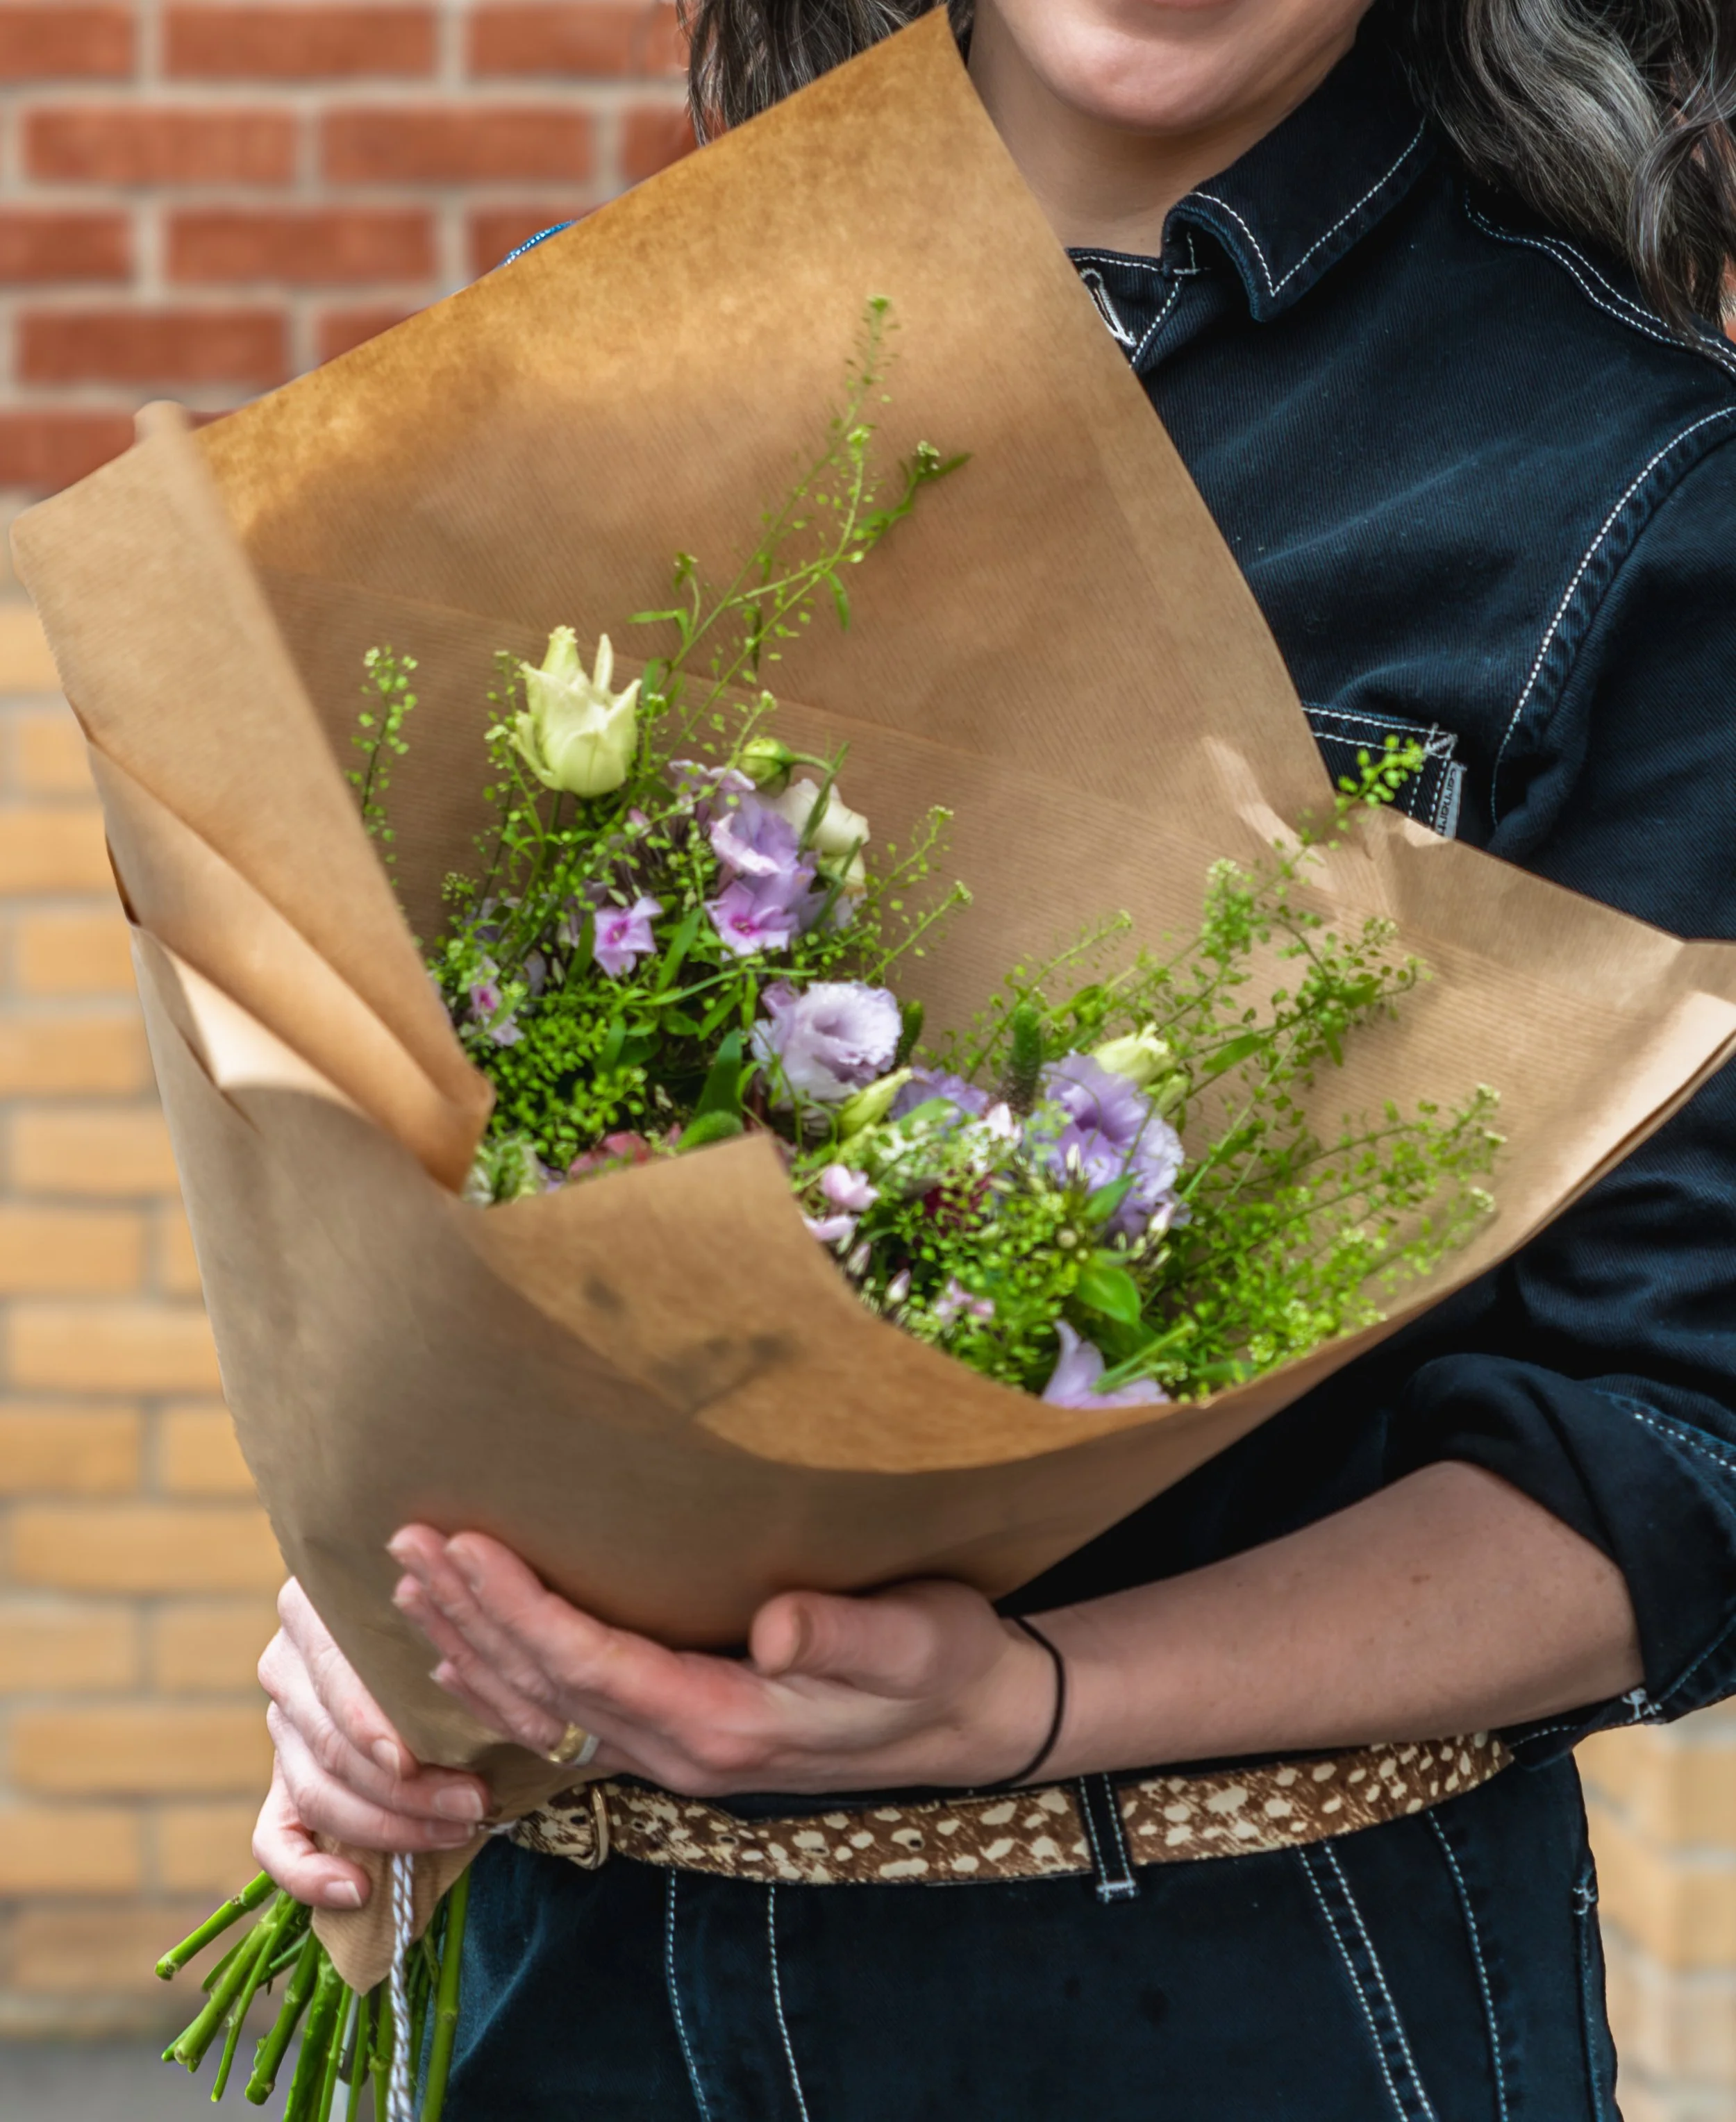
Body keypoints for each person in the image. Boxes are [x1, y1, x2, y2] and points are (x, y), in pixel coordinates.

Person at [253, 2, 1736, 2114]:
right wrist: (377, 1625)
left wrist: (1027, 1699)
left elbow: (1680, 1442)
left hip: (1237, 1982)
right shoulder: (587, 348)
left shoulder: (1628, 487)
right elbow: (431, 1162)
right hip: (587, 1982)